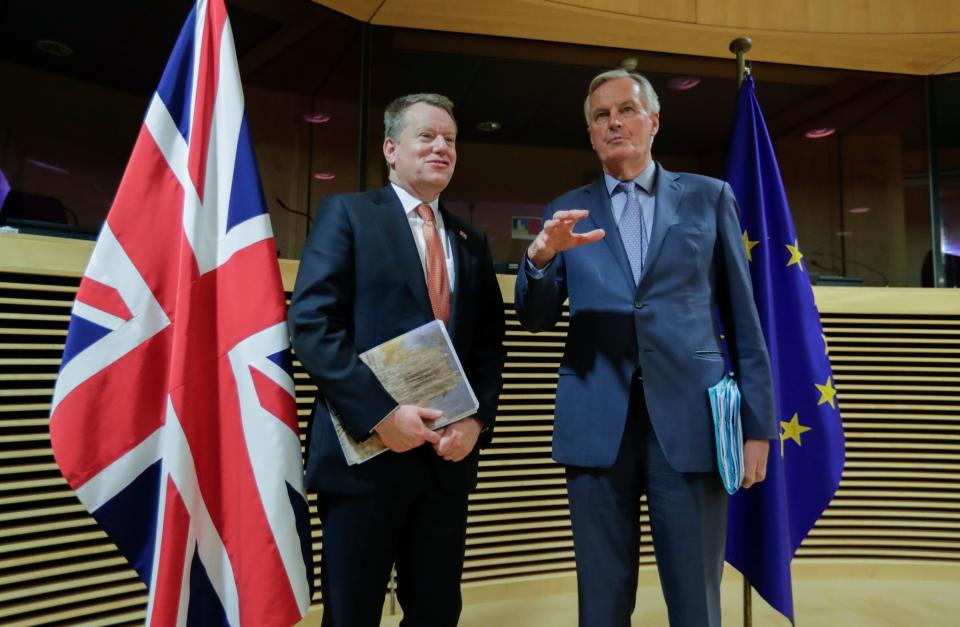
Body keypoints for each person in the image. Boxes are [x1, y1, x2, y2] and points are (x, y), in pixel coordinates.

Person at [515, 69, 777, 627]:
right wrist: (538, 257)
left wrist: (758, 426)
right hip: (596, 423)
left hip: (691, 423)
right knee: (602, 602)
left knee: (696, 600)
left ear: (653, 122)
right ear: (590, 134)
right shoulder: (567, 209)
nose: (615, 123)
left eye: (627, 110)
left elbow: (745, 322)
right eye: (601, 116)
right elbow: (536, 319)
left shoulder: (710, 198)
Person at [288, 93, 506, 627]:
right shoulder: (349, 215)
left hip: (445, 463)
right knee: (351, 613)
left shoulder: (471, 240)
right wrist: (383, 416)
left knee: (436, 612)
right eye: (426, 136)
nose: (441, 147)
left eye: (450, 140)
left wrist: (476, 420)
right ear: (391, 148)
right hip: (364, 456)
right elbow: (313, 326)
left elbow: (488, 346)